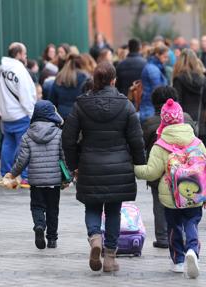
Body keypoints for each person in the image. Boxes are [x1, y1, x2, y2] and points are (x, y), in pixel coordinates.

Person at [62, 62, 145, 272]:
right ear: (113, 80)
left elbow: (68, 139)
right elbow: (136, 139)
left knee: (92, 206)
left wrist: (73, 165)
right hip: (119, 166)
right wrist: (139, 164)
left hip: (89, 164)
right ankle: (110, 257)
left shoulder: (81, 104)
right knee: (114, 211)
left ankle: (95, 238)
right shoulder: (125, 105)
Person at [134, 99, 206, 278]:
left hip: (171, 195)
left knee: (174, 226)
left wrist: (134, 168)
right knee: (192, 221)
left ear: (164, 121)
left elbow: (152, 172)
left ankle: (178, 260)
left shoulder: (161, 145)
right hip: (195, 192)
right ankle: (192, 249)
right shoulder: (196, 141)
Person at [3, 100, 65, 250]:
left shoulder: (27, 135)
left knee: (37, 206)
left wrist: (13, 174)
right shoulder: (59, 133)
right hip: (54, 180)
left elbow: (22, 159)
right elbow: (63, 156)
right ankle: (52, 239)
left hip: (36, 180)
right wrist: (67, 176)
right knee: (53, 209)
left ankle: (39, 225)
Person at [141, 86, 196, 249]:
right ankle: (185, 235)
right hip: (185, 169)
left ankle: (163, 237)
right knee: (185, 201)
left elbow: (141, 144)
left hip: (159, 171)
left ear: (154, 103)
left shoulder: (150, 122)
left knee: (159, 203)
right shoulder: (187, 118)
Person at [0, 42, 37, 187]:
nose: (26, 57)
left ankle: (6, 176)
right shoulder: (19, 70)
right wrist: (32, 113)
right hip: (20, 114)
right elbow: (26, 94)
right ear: (18, 54)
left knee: (8, 144)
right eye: (24, 54)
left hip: (6, 115)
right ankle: (25, 177)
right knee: (25, 147)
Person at [173, 49, 206, 138]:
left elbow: (177, 101)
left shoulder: (178, 79)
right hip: (199, 119)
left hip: (183, 121)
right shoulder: (202, 79)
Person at [50, 54, 88, 119]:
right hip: (78, 114)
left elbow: (52, 99)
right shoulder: (84, 77)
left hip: (61, 114)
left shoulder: (59, 77)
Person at [140, 46, 170, 122]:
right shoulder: (152, 68)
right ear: (157, 55)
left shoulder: (155, 67)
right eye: (164, 57)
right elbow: (158, 89)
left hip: (150, 105)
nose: (166, 59)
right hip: (150, 107)